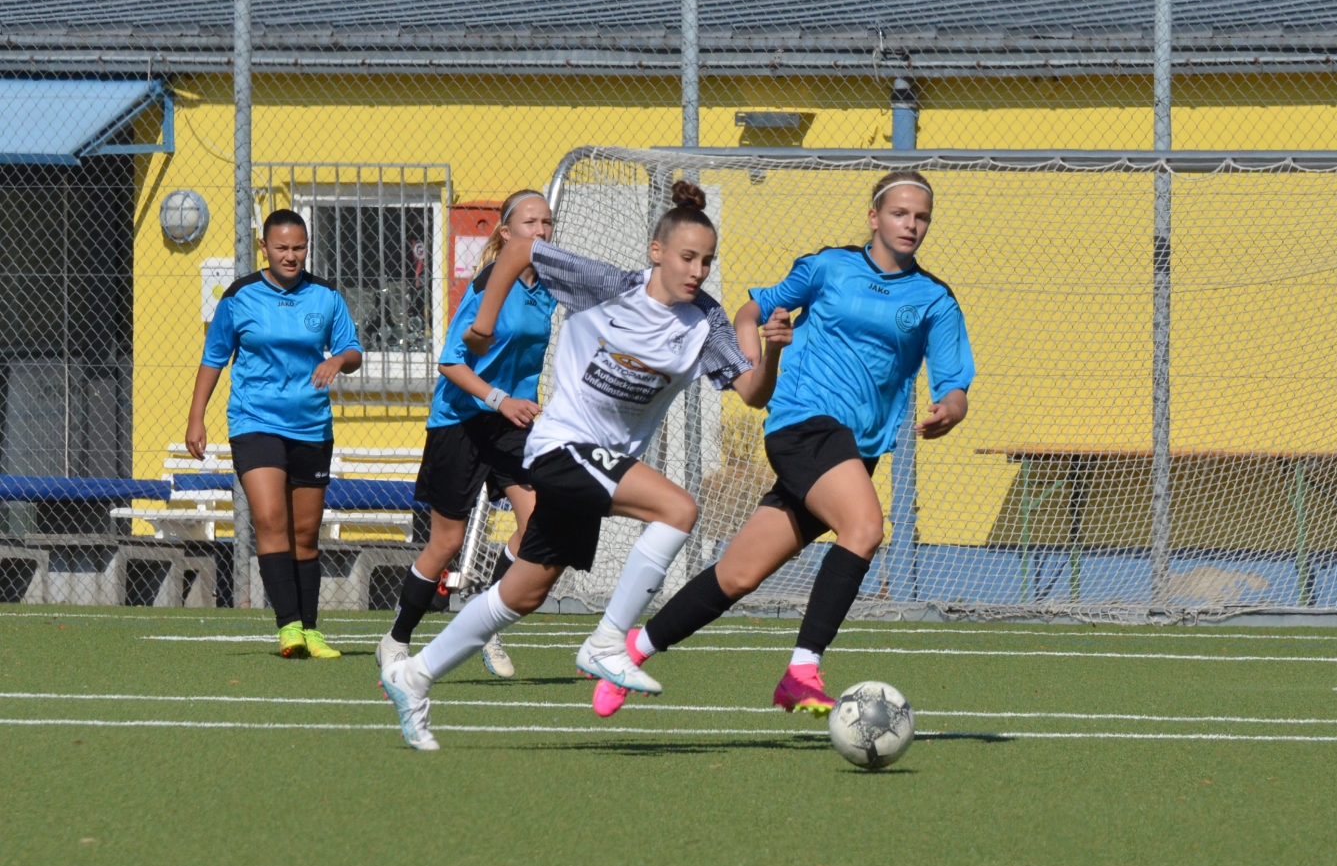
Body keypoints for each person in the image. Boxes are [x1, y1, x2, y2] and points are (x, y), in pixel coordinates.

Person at [378, 182, 784, 751]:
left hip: (601, 465)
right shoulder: (607, 286)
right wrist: (485, 323)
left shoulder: (705, 321)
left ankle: (414, 675)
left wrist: (773, 350)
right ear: (657, 251)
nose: (697, 271)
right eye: (687, 257)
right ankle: (609, 642)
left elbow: (752, 393)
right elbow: (519, 250)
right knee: (678, 508)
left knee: (522, 595)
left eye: (707, 261)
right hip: (559, 447)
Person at [609, 169, 974, 717]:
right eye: (899, 213)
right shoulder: (829, 266)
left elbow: (954, 383)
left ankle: (630, 650)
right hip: (803, 423)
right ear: (874, 217)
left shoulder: (934, 300)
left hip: (854, 451)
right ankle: (802, 671)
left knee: (738, 574)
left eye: (921, 217)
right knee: (865, 529)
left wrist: (951, 410)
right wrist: (756, 352)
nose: (911, 225)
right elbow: (751, 311)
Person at [378, 190, 556, 677]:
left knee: (538, 524)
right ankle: (396, 639)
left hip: (510, 423)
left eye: (547, 222)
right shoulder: (487, 284)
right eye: (530, 222)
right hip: (461, 419)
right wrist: (500, 398)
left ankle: (485, 619)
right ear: (507, 232)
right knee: (447, 542)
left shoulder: (548, 288)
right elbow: (450, 362)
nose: (541, 231)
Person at [185, 208, 362, 658]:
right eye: (281, 247)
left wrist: (338, 360)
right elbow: (214, 357)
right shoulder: (240, 296)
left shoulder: (326, 296)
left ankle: (311, 629)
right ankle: (288, 628)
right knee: (268, 519)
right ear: (264, 248)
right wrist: (196, 417)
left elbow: (353, 350)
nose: (291, 256)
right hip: (255, 422)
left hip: (311, 426)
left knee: (305, 533)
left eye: (299, 248)